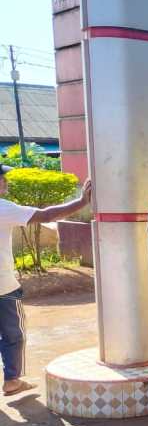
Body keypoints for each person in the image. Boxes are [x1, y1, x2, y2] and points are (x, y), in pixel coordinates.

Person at [0, 165, 92, 397]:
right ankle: (12, 380)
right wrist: (83, 201)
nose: (6, 182)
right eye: (2, 178)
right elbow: (47, 215)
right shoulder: (3, 208)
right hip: (3, 287)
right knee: (13, 334)